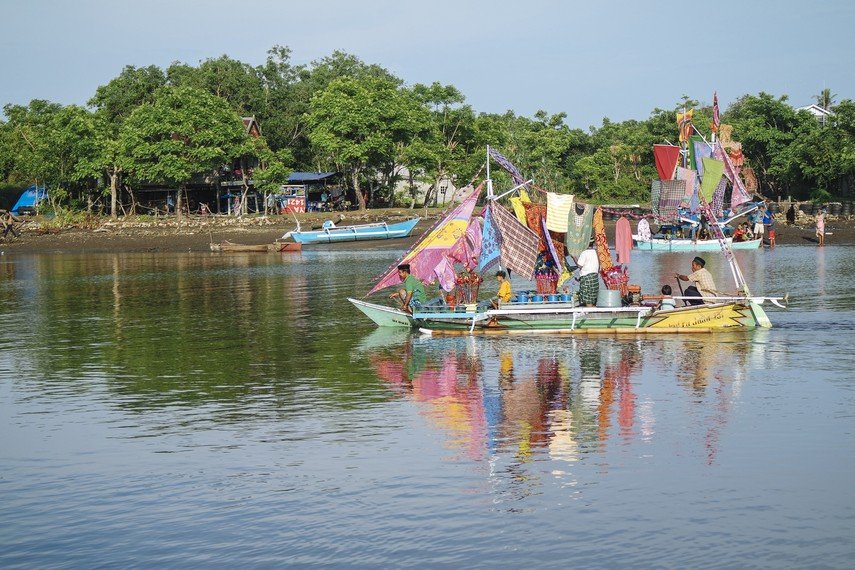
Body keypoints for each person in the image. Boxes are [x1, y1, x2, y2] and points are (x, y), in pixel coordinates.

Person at [576, 241, 600, 307]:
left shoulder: (584, 253)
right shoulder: (596, 252)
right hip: (594, 277)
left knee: (588, 301)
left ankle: (591, 314)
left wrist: (574, 258)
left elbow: (580, 266)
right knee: (592, 298)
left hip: (587, 278)